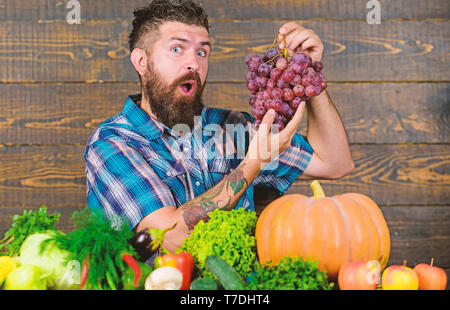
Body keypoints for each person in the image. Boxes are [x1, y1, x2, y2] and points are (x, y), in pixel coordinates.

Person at [84, 0, 354, 254]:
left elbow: (335, 163)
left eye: (202, 51)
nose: (194, 63)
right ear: (141, 62)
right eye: (177, 49)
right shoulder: (113, 143)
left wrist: (308, 71)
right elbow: (169, 238)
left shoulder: (232, 127)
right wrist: (254, 163)